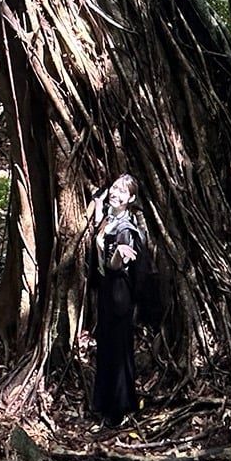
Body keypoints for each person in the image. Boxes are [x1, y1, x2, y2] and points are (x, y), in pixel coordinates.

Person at [86, 174, 148, 424]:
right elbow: (100, 221)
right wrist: (99, 202)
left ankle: (118, 410)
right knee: (106, 346)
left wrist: (118, 256)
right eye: (114, 188)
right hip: (105, 292)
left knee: (118, 349)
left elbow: (115, 267)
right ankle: (106, 402)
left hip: (118, 294)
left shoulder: (125, 230)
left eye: (122, 192)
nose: (116, 193)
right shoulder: (110, 218)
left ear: (131, 198)